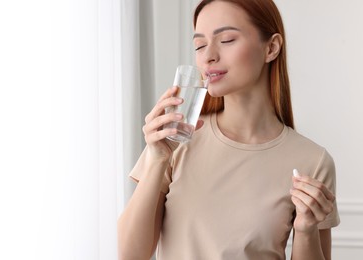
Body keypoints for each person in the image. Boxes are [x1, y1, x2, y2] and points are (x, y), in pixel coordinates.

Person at [118, 0, 340, 259]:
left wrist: (305, 231)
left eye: (226, 40)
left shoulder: (312, 161)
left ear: (271, 47)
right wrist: (157, 159)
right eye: (199, 45)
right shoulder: (175, 141)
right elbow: (130, 255)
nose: (208, 56)